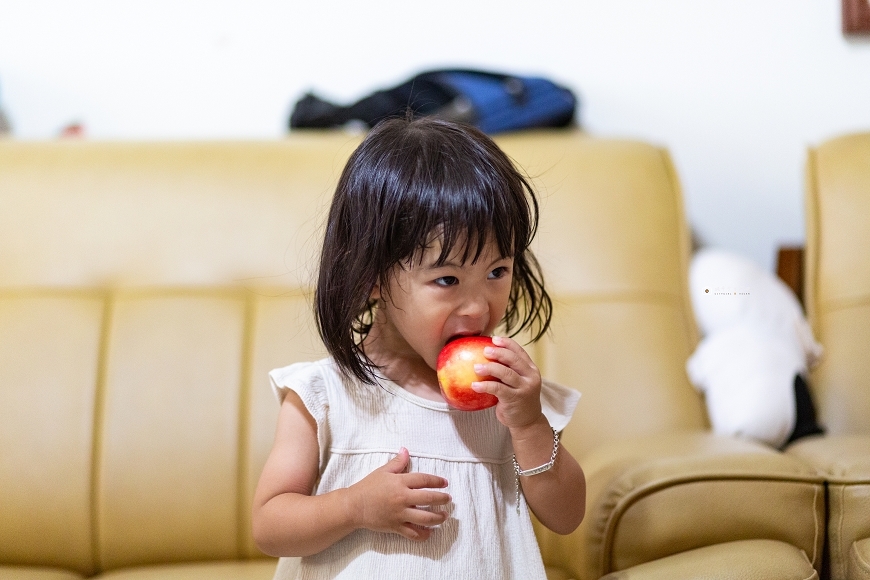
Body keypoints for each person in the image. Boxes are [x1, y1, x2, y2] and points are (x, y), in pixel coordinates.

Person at [252, 116, 586, 579]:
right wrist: (353, 506)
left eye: (497, 272)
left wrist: (529, 426)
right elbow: (269, 525)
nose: (477, 307)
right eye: (447, 279)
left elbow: (567, 516)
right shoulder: (323, 395)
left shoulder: (511, 399)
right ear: (370, 277)